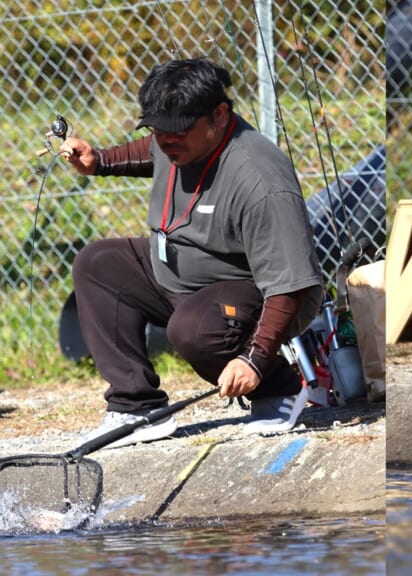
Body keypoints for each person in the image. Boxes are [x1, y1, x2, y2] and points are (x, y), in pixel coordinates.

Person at [61, 58, 324, 447]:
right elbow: (151, 150)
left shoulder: (260, 178)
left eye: (178, 130)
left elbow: (291, 285)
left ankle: (279, 387)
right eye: (158, 129)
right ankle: (136, 408)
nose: (166, 141)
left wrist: (254, 359)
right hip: (180, 276)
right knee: (97, 264)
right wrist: (99, 161)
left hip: (253, 293)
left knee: (192, 329)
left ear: (219, 115)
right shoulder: (176, 142)